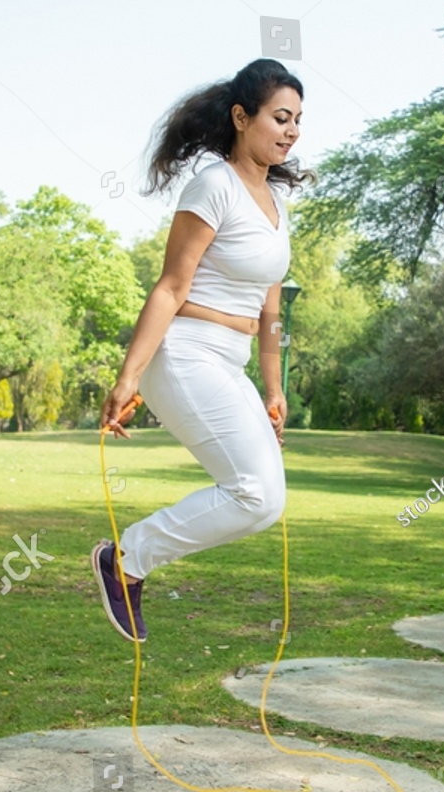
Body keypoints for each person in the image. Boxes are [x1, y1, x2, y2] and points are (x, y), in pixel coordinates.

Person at [92, 59, 309, 642]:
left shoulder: (275, 205)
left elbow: (270, 315)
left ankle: (128, 560)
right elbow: (170, 286)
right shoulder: (213, 186)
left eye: (297, 121)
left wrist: (273, 389)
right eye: (279, 118)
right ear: (242, 118)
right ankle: (126, 560)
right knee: (256, 492)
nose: (290, 131)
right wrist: (128, 377)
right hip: (184, 352)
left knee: (266, 500)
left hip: (229, 360)